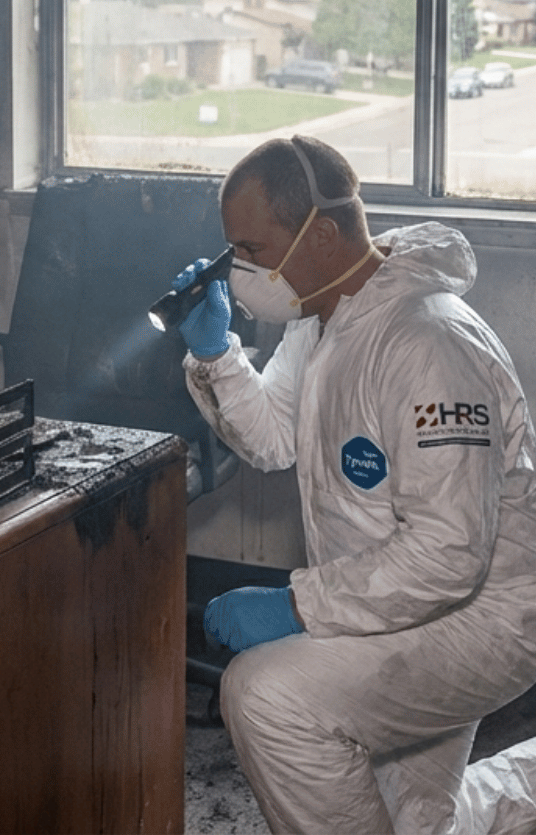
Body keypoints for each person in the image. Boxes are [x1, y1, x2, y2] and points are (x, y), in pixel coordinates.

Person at [174, 135, 536, 834]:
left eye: (251, 250)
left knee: (267, 696)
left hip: (483, 612)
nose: (240, 271)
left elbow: (448, 555)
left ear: (325, 234)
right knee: (413, 822)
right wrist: (215, 353)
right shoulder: (323, 319)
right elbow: (274, 438)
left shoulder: (428, 343)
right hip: (390, 603)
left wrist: (298, 604)